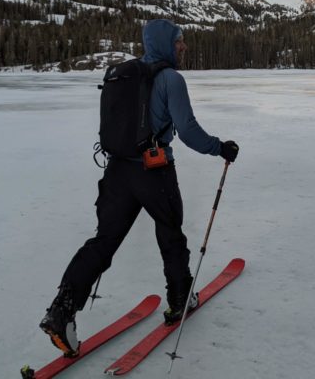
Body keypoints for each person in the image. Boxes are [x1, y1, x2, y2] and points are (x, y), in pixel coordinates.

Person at [39, 18, 239, 357]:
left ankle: (62, 309)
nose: (183, 46)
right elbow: (187, 130)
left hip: (116, 171)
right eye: (179, 41)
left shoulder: (125, 75)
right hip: (154, 170)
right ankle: (179, 300)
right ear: (165, 43)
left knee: (103, 241)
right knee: (171, 233)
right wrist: (221, 147)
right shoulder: (170, 79)